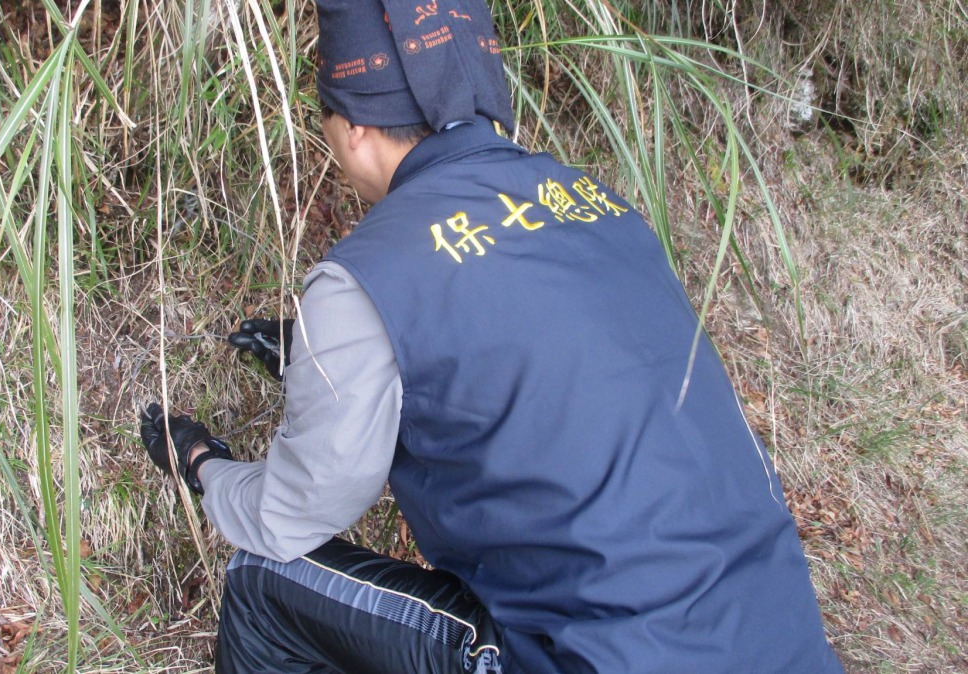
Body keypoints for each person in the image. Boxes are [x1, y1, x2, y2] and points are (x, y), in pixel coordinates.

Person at [140, 1, 845, 672]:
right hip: (783, 642)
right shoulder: (600, 203)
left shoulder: (365, 273)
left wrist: (205, 468)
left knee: (261, 578)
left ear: (352, 127)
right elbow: (529, 363)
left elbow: (294, 513)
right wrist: (311, 357)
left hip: (587, 660)